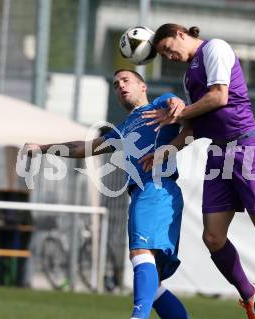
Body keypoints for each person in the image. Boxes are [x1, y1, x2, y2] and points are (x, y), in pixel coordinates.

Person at [141, 24, 255, 319]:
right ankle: (251, 295)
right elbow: (195, 127)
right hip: (219, 153)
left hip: (247, 147)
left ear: (181, 34)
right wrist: (166, 150)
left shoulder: (215, 48)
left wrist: (180, 111)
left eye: (167, 48)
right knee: (212, 238)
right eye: (162, 54)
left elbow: (219, 97)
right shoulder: (189, 74)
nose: (168, 56)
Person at [24, 69, 190, 319]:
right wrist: (43, 148)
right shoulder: (121, 129)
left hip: (157, 189)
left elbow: (176, 105)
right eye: (115, 84)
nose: (120, 86)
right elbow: (83, 148)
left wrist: (176, 104)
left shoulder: (158, 104)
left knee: (140, 254)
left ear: (143, 86)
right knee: (152, 284)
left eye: (126, 81)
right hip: (142, 195)